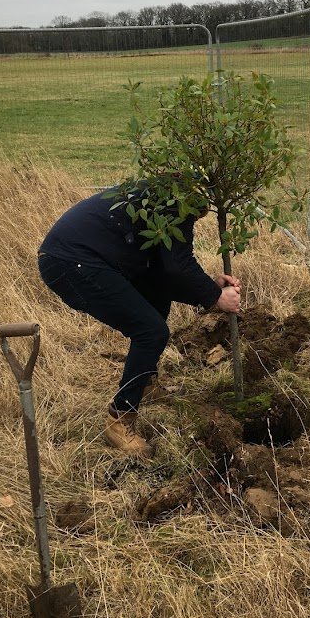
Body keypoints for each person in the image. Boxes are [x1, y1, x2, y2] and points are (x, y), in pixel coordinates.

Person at [37, 181, 241, 455]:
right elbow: (177, 265)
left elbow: (164, 273)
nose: (200, 217)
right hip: (72, 262)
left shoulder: (162, 195)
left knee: (156, 298)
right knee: (151, 331)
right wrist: (216, 298)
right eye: (201, 211)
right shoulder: (177, 200)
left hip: (85, 258)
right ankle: (120, 418)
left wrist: (211, 291)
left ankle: (144, 382)